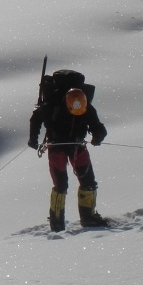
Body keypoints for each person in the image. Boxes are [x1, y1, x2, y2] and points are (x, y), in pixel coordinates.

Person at [29, 78, 108, 231]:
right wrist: (33, 138)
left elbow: (99, 128)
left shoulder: (87, 109)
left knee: (88, 181)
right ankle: (57, 223)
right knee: (60, 185)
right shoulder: (51, 107)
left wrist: (98, 137)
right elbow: (36, 119)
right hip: (56, 147)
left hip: (77, 146)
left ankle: (88, 218)